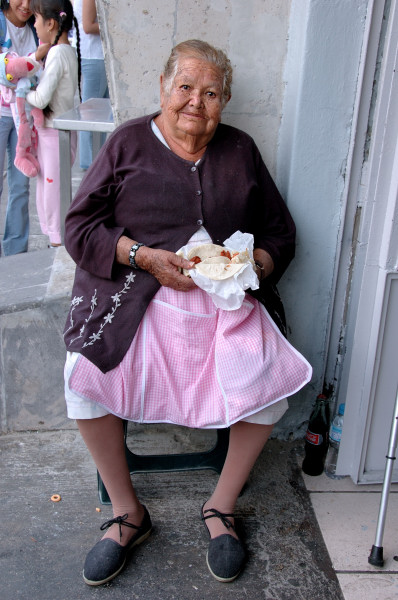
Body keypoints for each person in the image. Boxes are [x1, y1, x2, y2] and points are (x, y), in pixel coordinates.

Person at [63, 39, 312, 586]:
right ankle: (129, 514)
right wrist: (140, 256)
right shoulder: (128, 142)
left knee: (270, 385)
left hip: (225, 305)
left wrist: (253, 269)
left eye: (211, 92)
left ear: (224, 101)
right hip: (137, 297)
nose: (196, 102)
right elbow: (79, 228)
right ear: (162, 87)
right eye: (185, 87)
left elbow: (280, 232)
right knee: (82, 380)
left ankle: (220, 507)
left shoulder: (240, 149)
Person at [25, 0, 81, 247]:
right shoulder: (66, 50)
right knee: (49, 186)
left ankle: (57, 241)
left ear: (51, 23)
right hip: (56, 131)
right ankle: (55, 237)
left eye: (36, 19)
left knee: (52, 190)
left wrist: (23, 91)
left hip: (54, 134)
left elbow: (41, 97)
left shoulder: (57, 53)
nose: (34, 25)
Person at [0, 0, 38, 256]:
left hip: (24, 119)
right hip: (2, 113)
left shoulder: (37, 27)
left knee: (21, 186)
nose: (25, 5)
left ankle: (15, 253)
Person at [73, 0, 108, 170]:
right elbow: (88, 26)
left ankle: (96, 162)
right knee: (91, 114)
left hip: (98, 56)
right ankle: (90, 165)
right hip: (95, 57)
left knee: (100, 114)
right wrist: (116, 25)